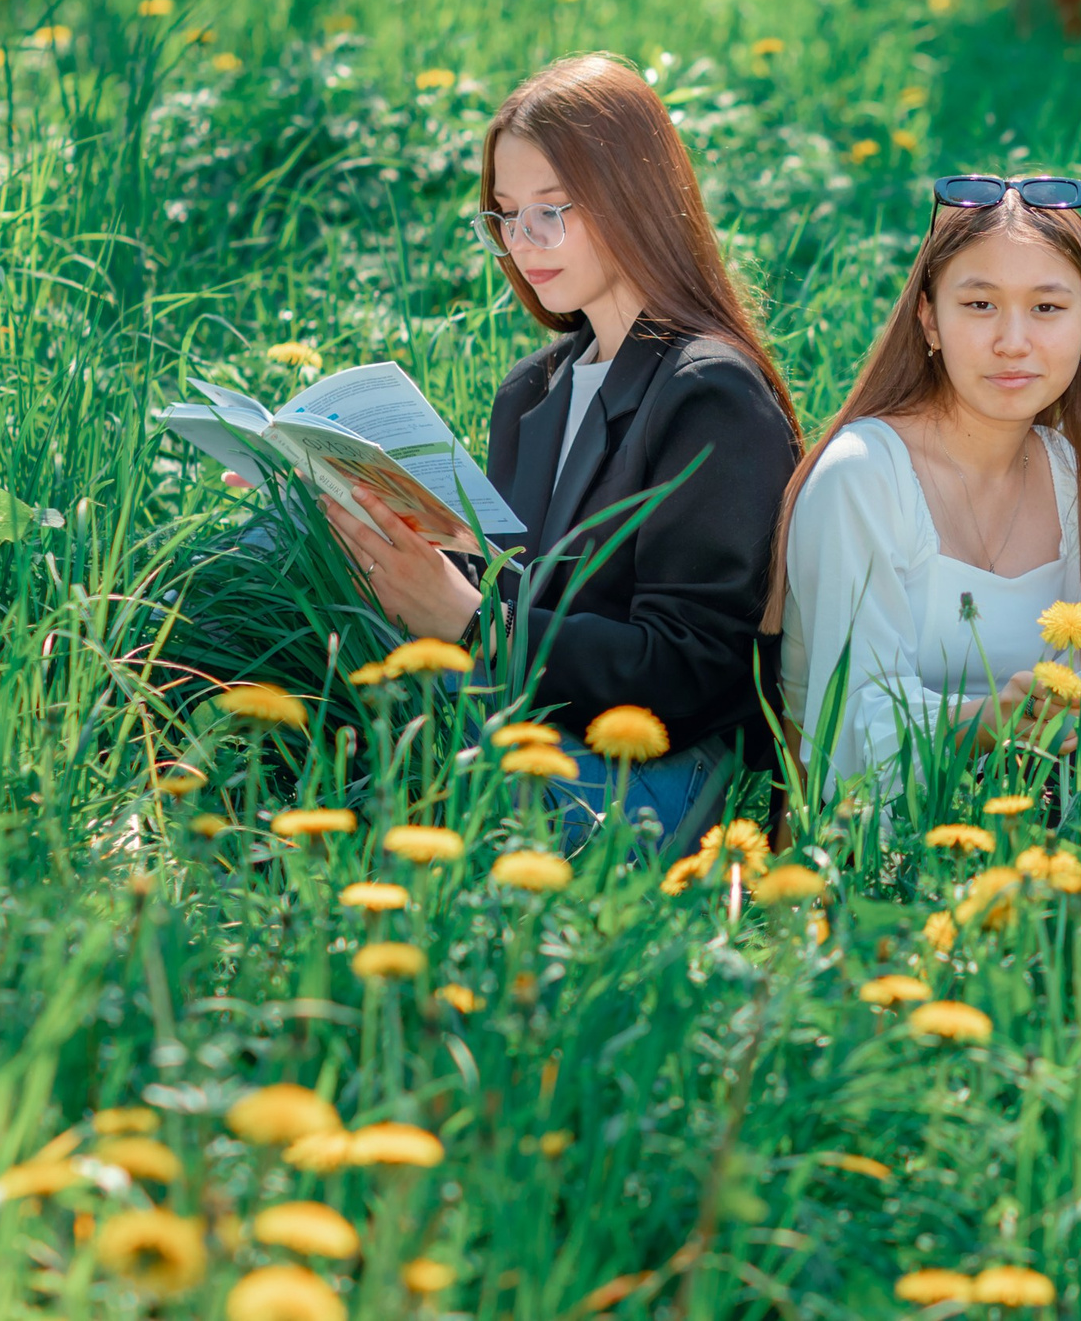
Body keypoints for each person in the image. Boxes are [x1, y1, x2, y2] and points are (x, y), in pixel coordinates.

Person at [325, 54, 801, 853]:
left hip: (654, 769)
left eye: (552, 210)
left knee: (451, 778)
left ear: (633, 197)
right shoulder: (531, 392)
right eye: (506, 215)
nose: (523, 241)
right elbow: (512, 585)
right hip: (521, 720)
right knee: (286, 587)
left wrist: (473, 623)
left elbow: (696, 669)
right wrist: (358, 525)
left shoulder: (710, 391)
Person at [775, 175, 1081, 803]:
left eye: (1047, 308)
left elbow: (1080, 709)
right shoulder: (863, 475)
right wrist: (984, 723)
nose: (1013, 342)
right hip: (895, 833)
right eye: (980, 305)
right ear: (930, 319)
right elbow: (849, 730)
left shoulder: (1067, 471)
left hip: (1040, 792)